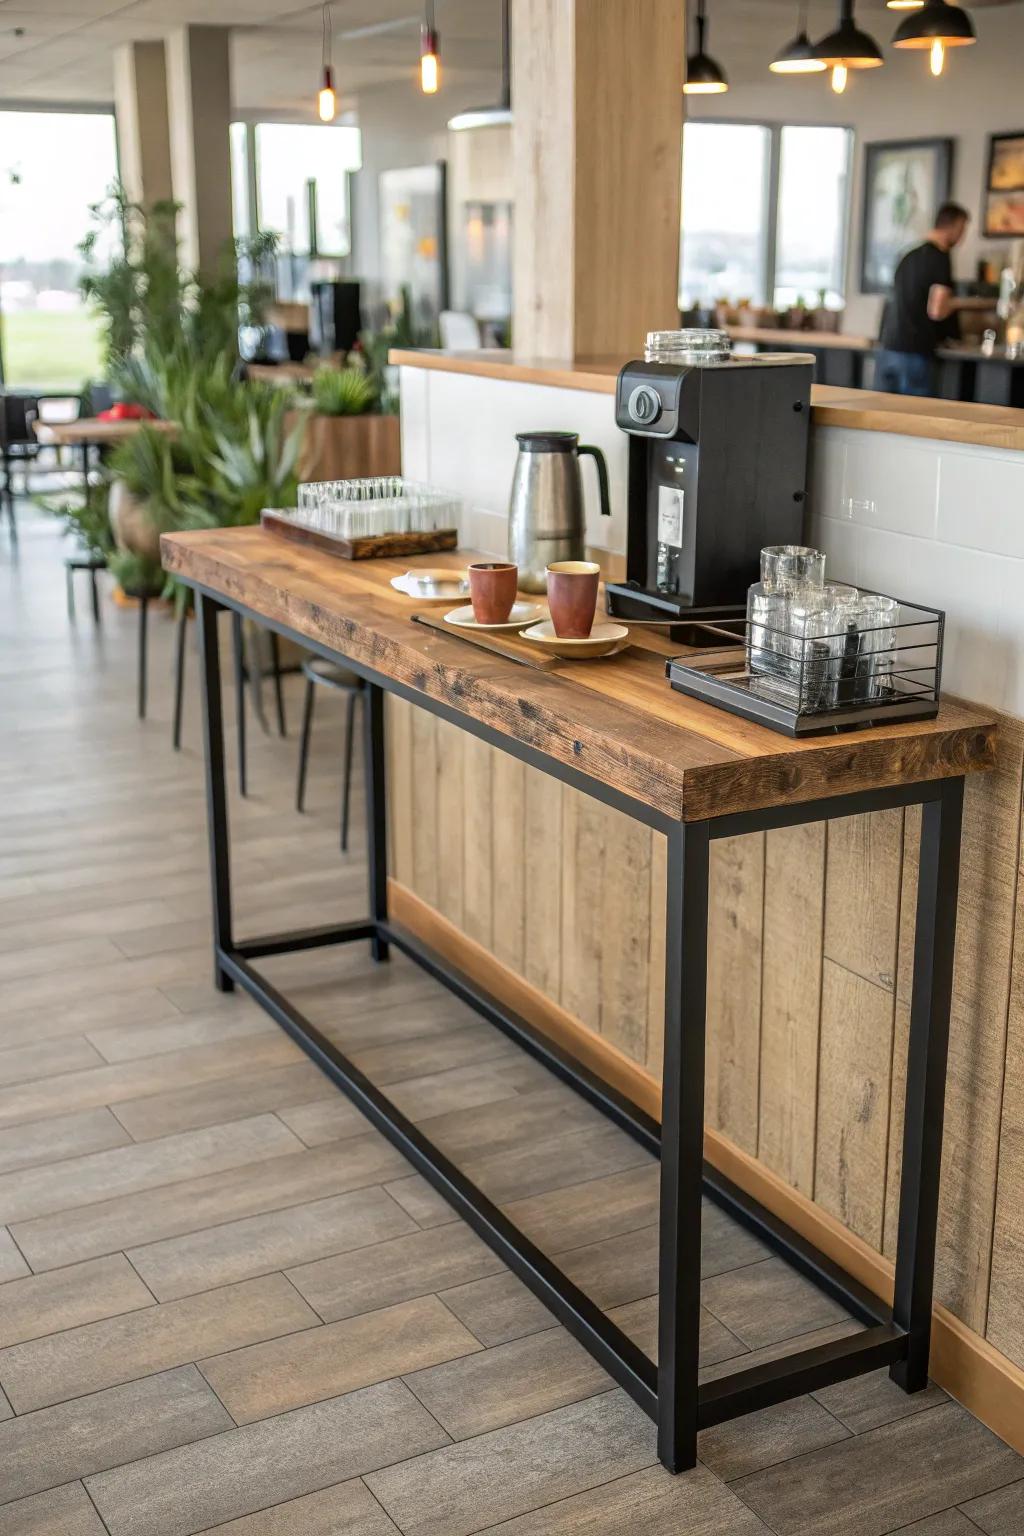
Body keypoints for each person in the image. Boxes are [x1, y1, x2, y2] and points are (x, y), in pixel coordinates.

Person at [876, 202, 975, 396]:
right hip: (914, 352)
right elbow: (937, 309)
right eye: (962, 229)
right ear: (954, 226)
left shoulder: (907, 255)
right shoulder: (939, 257)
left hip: (888, 348)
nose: (962, 236)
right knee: (916, 420)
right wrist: (960, 304)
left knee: (883, 418)